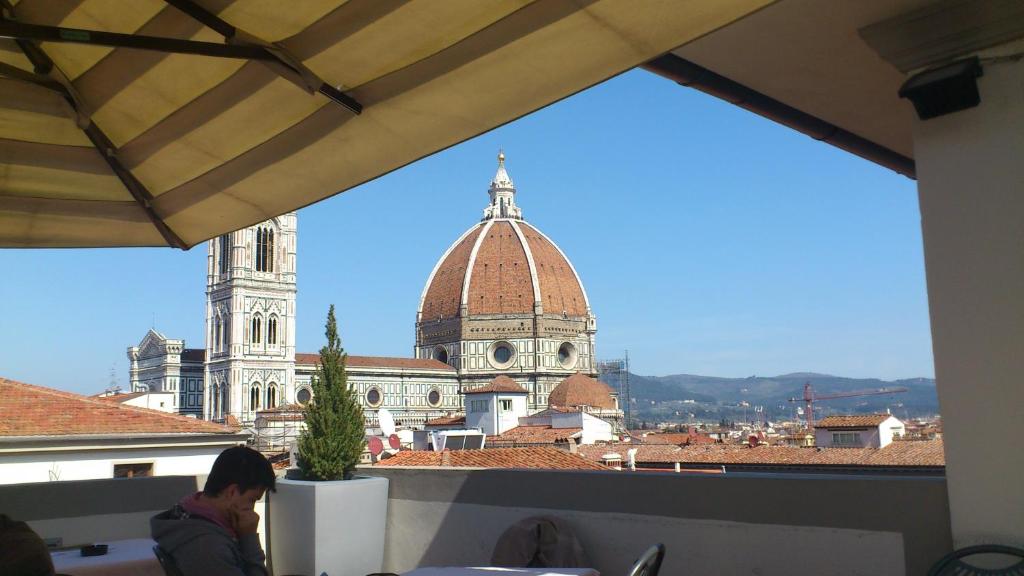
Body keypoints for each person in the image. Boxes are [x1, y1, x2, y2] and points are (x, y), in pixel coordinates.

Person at [151, 446, 276, 576]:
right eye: (252, 500)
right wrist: (249, 538)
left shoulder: (186, 513)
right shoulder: (209, 547)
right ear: (232, 492)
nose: (253, 511)